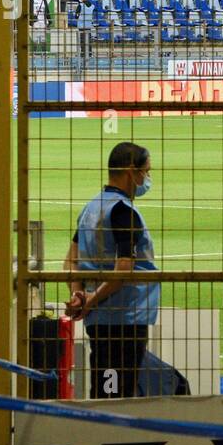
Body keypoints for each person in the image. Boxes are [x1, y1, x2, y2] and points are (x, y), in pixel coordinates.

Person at [65, 142, 160, 400]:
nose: (147, 178)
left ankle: (103, 430)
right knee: (118, 392)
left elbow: (70, 260)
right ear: (131, 171)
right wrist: (90, 301)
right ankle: (112, 435)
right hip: (124, 318)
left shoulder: (91, 208)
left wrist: (79, 297)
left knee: (106, 384)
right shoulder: (123, 212)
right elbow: (123, 270)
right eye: (146, 172)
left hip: (99, 320)